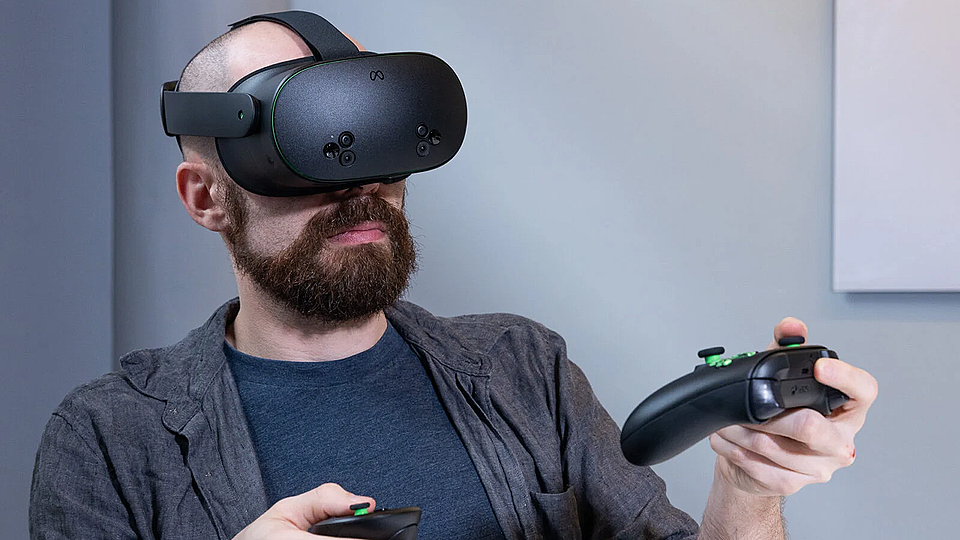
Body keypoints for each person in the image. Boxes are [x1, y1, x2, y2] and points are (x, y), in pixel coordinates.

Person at [29, 14, 878, 540]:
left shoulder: (523, 370)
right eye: (310, 149)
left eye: (379, 139)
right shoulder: (109, 437)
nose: (361, 187)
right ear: (206, 197)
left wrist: (749, 487)